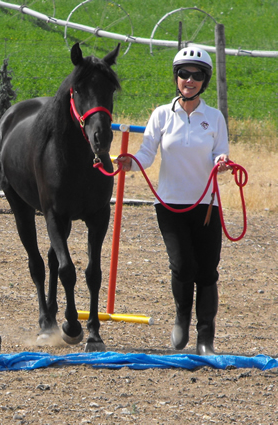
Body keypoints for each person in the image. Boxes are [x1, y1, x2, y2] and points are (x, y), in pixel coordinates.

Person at [116, 47, 231, 355]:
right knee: (182, 267)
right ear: (176, 77)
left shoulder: (215, 118)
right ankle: (181, 319)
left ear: (205, 80)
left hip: (207, 206)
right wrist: (131, 162)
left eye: (196, 75)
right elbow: (146, 154)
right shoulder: (161, 115)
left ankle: (205, 337)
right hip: (169, 205)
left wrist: (222, 162)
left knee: (207, 269)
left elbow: (220, 152)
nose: (189, 80)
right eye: (183, 74)